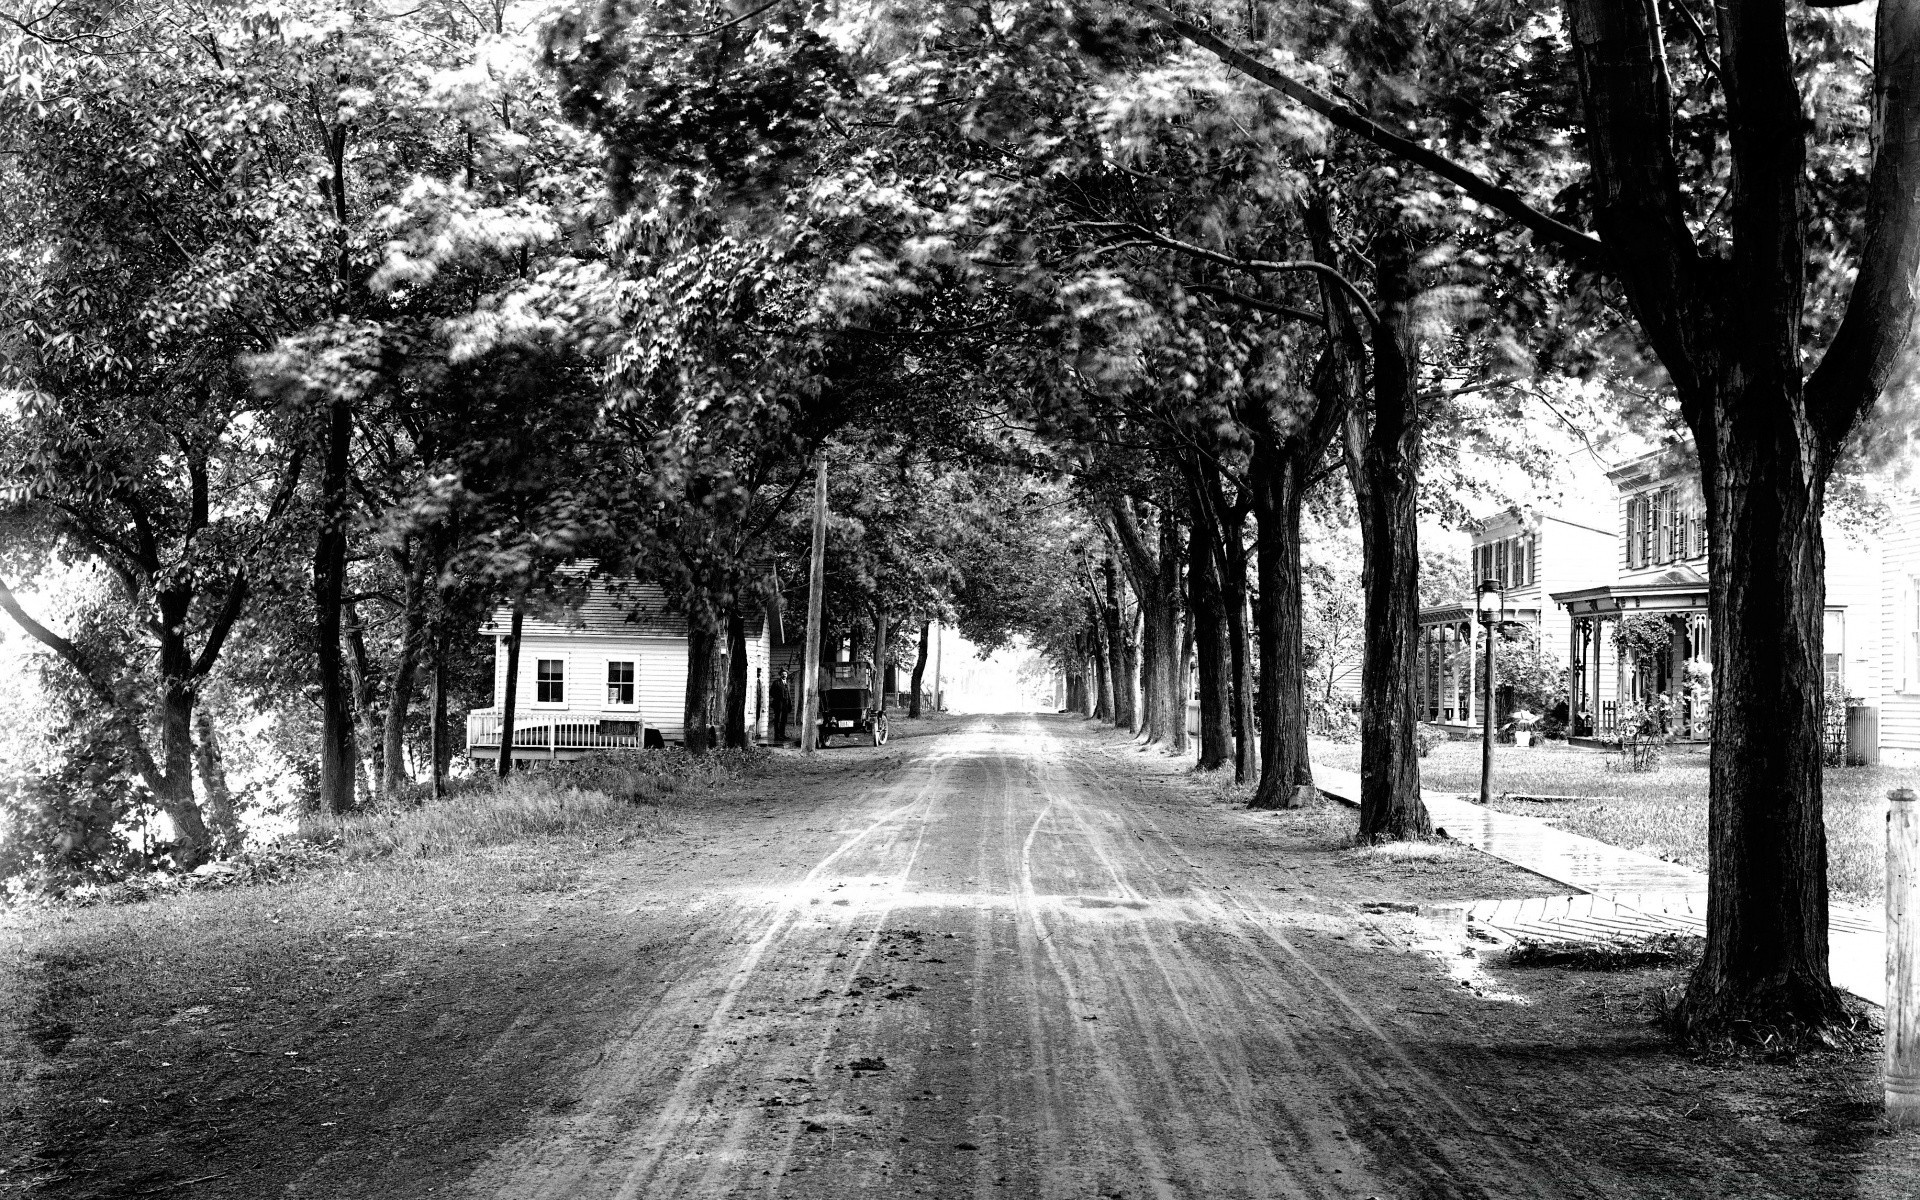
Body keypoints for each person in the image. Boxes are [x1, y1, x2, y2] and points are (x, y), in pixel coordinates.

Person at [770, 668, 791, 745]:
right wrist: (778, 697)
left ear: (787, 675)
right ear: (780, 675)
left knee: (784, 719)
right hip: (778, 704)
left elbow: (788, 695)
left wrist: (789, 703)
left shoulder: (787, 683)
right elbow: (771, 692)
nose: (784, 675)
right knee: (777, 719)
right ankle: (777, 735)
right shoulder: (776, 683)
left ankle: (782, 734)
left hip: (786, 704)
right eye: (782, 674)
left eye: (785, 674)